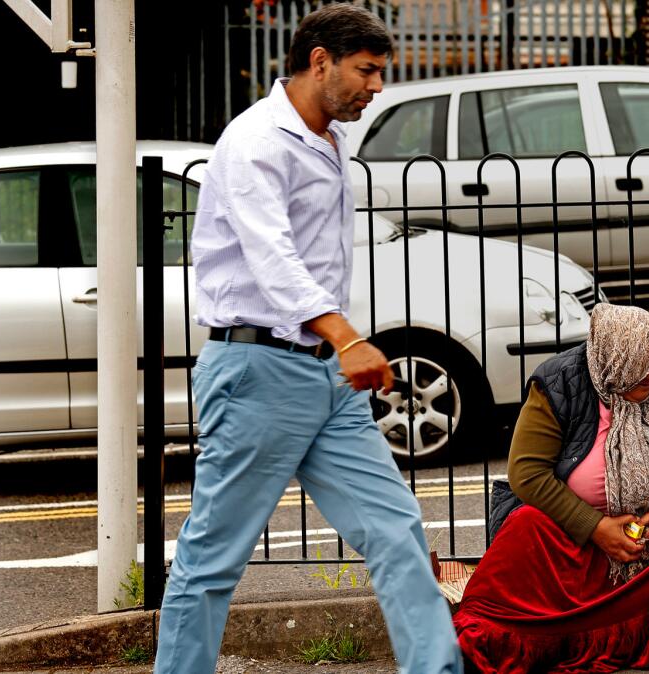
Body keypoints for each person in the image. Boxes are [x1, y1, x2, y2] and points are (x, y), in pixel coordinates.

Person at [153, 5, 462, 673]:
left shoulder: (326, 138)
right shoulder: (257, 140)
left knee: (395, 530)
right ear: (318, 60)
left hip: (326, 375)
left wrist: (339, 348)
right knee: (213, 558)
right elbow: (272, 256)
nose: (377, 87)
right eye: (367, 71)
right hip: (258, 368)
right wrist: (349, 337)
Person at [455, 303, 649, 673]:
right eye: (642, 369)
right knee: (526, 526)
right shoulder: (559, 384)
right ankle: (505, 637)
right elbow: (527, 473)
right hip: (578, 546)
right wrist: (596, 528)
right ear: (614, 363)